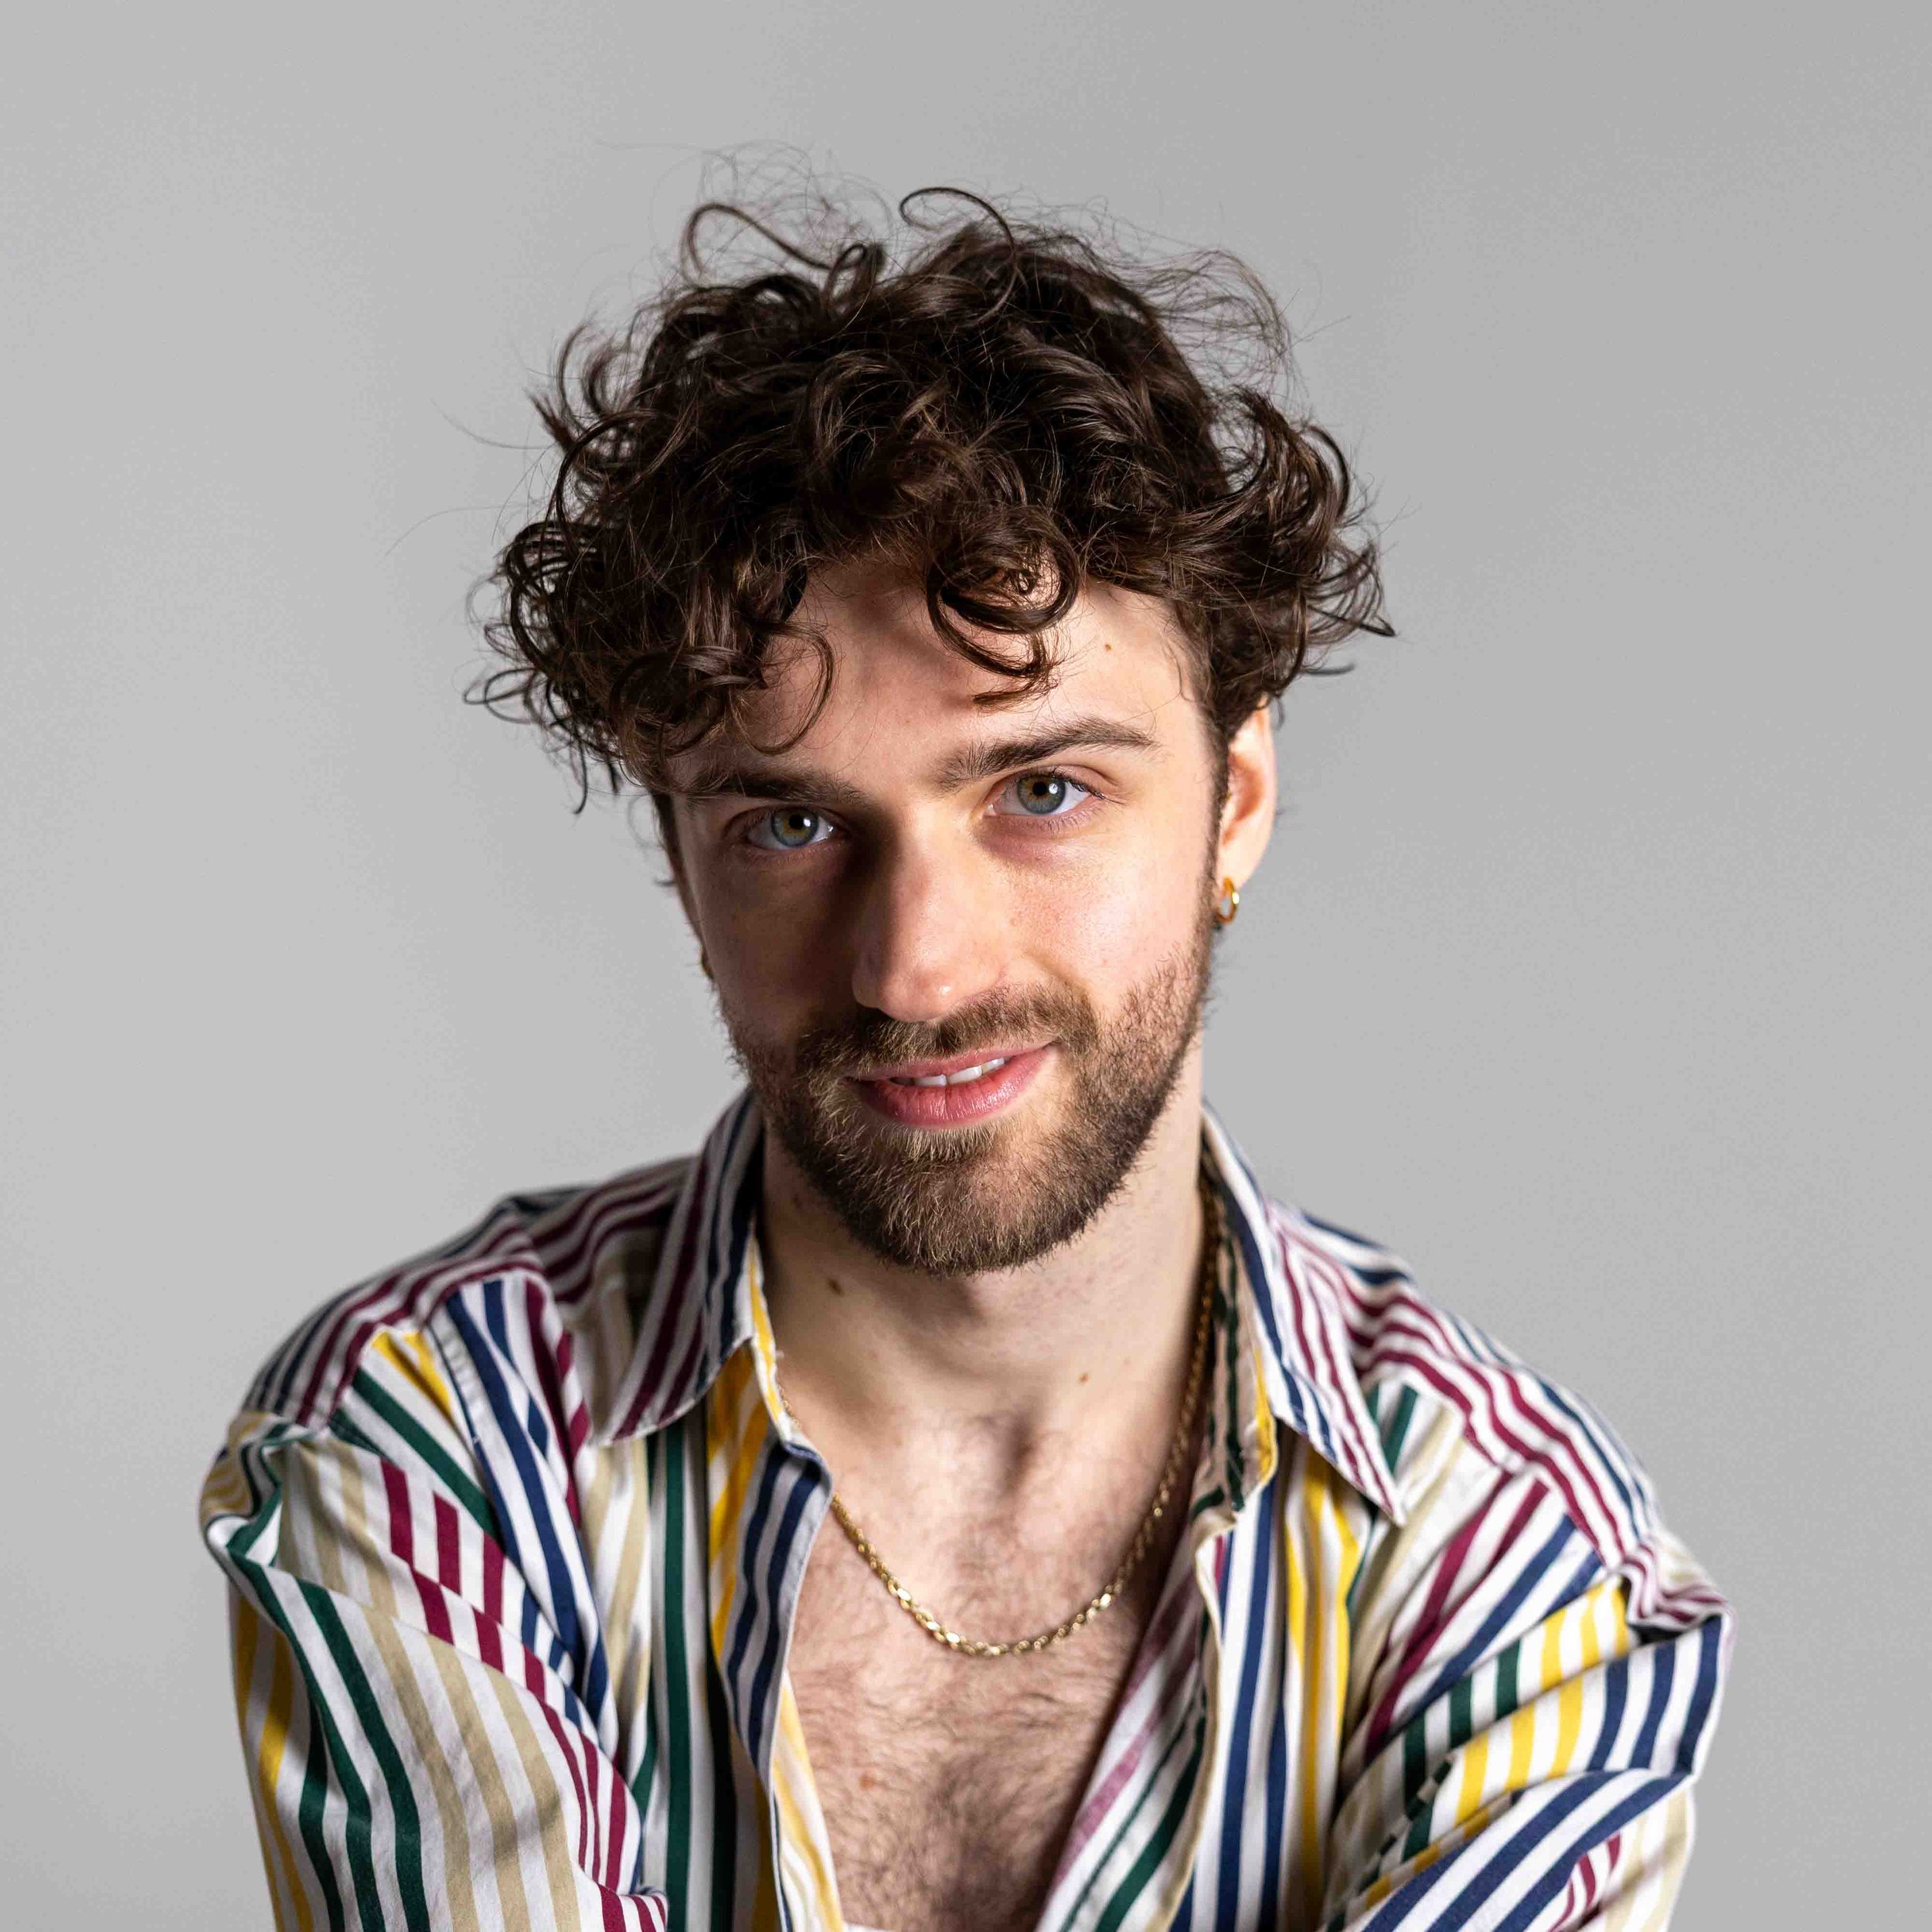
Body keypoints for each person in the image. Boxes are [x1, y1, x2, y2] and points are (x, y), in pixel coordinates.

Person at [199, 187, 1730, 1932]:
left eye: (1042, 790)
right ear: (680, 859)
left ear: (1232, 803)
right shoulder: (436, 1442)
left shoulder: (1524, 1572)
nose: (914, 969)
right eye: (788, 823)